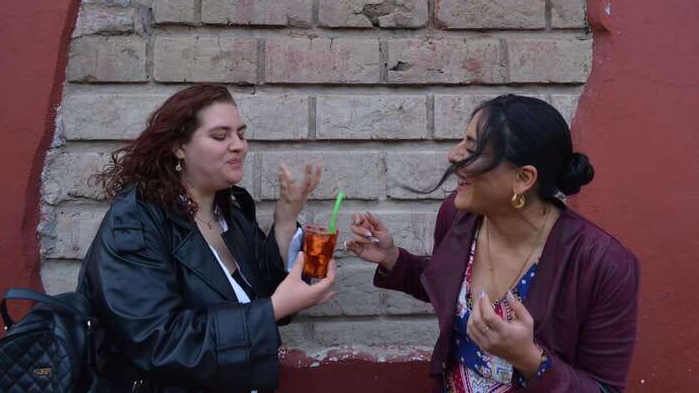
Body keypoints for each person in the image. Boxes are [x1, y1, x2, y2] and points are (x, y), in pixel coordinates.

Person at [347, 95, 639, 392]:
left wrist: (530, 359)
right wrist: (393, 258)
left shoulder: (602, 264)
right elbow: (450, 290)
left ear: (523, 178)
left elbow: (605, 388)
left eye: (471, 149)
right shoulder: (458, 216)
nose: (452, 155)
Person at [79, 84, 335, 392]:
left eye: (241, 134)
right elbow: (158, 342)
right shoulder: (136, 220)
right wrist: (273, 310)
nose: (239, 145)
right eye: (220, 136)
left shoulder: (231, 209)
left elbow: (256, 298)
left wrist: (285, 220)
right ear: (179, 147)